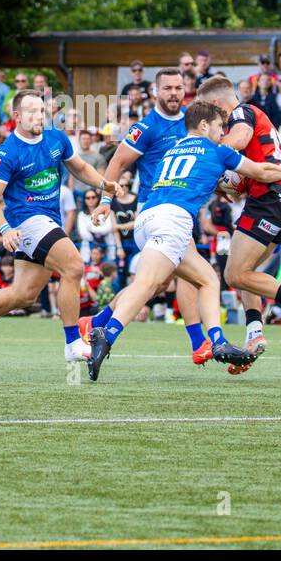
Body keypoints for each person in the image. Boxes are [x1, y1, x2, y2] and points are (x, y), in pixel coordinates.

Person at [84, 101, 281, 381]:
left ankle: (217, 341)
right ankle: (106, 333)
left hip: (146, 216)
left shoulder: (173, 148)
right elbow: (263, 172)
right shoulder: (218, 150)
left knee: (208, 279)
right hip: (173, 221)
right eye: (221, 127)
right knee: (148, 284)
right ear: (205, 125)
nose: (224, 133)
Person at [0, 89, 116, 365]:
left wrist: (104, 183)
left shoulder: (56, 137)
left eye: (42, 111)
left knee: (23, 295)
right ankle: (71, 342)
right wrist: (5, 228)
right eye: (32, 111)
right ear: (17, 116)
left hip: (48, 221)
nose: (39, 116)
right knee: (74, 267)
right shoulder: (7, 152)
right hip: (26, 223)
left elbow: (79, 168)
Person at [194, 75, 281, 360]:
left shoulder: (242, 113)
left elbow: (238, 140)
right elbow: (239, 187)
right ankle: (254, 332)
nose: (206, 120)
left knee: (234, 273)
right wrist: (220, 181)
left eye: (207, 110)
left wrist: (201, 153)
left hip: (270, 198)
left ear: (217, 104)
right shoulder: (250, 123)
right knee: (246, 273)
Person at [89, 70, 214, 364]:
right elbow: (117, 161)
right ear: (154, 92)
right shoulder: (147, 127)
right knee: (192, 275)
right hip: (156, 210)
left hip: (181, 210)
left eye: (178, 87)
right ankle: (200, 343)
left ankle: (98, 322)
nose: (174, 93)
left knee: (157, 283)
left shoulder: (192, 122)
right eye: (167, 88)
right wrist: (106, 200)